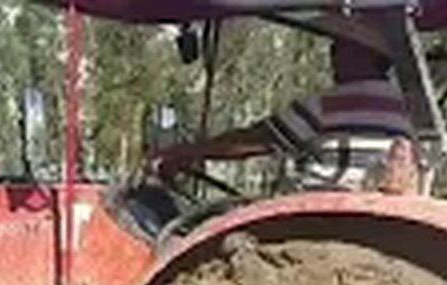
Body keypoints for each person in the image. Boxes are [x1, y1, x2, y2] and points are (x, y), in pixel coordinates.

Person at [150, 25, 416, 191]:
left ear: (365, 53)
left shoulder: (329, 105)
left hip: (322, 215)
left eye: (340, 46)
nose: (332, 53)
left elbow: (257, 141)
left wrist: (186, 152)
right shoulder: (406, 109)